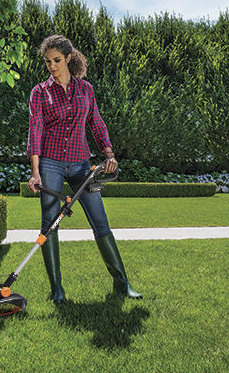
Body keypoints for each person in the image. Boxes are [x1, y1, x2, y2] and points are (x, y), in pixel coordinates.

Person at [26, 34, 142, 302]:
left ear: (68, 58)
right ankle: (56, 290)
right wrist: (36, 171)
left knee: (100, 221)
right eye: (47, 62)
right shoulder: (39, 92)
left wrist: (109, 153)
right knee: (49, 224)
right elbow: (36, 130)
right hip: (51, 164)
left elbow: (97, 123)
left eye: (56, 60)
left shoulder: (86, 89)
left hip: (81, 165)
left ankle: (123, 284)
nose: (52, 66)